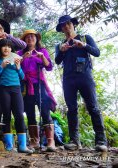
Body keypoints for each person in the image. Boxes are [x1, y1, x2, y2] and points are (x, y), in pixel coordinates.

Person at [55, 15, 107, 152]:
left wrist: (83, 45)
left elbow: (97, 52)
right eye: (63, 25)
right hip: (68, 79)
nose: (66, 27)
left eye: (68, 24)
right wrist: (62, 51)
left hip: (85, 77)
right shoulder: (60, 45)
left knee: (93, 107)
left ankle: (101, 140)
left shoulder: (85, 38)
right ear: (61, 29)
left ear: (73, 24)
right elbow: (57, 61)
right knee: (71, 109)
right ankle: (74, 141)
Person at [18, 29, 57, 152]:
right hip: (26, 85)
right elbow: (15, 67)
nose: (30, 39)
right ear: (24, 40)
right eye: (27, 37)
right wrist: (23, 57)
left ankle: (51, 141)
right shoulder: (19, 52)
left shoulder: (42, 51)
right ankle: (34, 141)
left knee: (45, 111)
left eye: (32, 37)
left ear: (36, 39)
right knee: (30, 113)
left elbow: (49, 67)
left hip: (39, 85)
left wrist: (42, 57)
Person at [0, 39, 32, 153]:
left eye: (9, 47)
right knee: (6, 116)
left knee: (19, 115)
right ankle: (9, 146)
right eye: (4, 46)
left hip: (16, 89)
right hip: (3, 90)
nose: (6, 48)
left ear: (11, 49)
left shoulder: (16, 59)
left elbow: (22, 76)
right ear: (0, 48)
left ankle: (22, 146)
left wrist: (19, 67)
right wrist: (2, 66)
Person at [0, 19, 26, 123]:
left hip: (10, 82)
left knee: (15, 111)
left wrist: (9, 36)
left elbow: (23, 45)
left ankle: (15, 134)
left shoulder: (8, 44)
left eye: (1, 28)